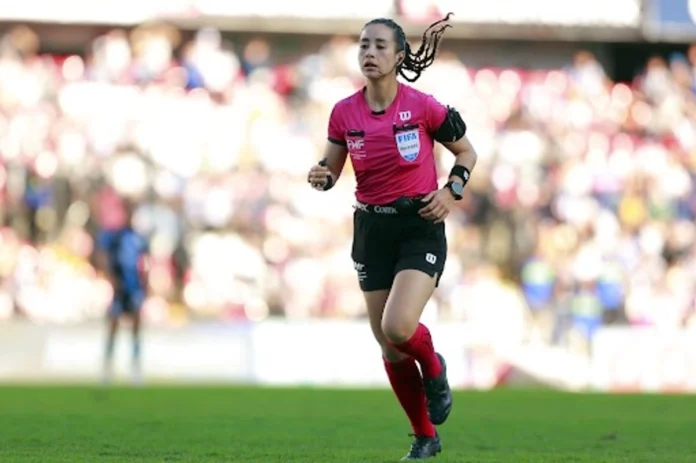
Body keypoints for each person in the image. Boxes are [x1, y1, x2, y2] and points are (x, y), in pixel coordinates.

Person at [306, 13, 477, 461]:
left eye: (380, 45)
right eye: (364, 44)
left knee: (398, 327)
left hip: (418, 226)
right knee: (389, 345)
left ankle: (435, 367)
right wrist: (320, 176)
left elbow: (466, 152)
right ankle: (425, 437)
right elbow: (331, 170)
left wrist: (451, 190)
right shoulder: (344, 112)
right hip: (371, 229)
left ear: (400, 56)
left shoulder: (424, 106)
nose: (369, 52)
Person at [94, 200, 150, 385]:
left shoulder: (138, 237)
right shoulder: (115, 236)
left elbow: (145, 261)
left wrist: (145, 283)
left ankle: (135, 367)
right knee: (113, 326)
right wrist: (111, 277)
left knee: (136, 327)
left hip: (134, 287)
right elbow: (102, 255)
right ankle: (107, 367)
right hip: (119, 287)